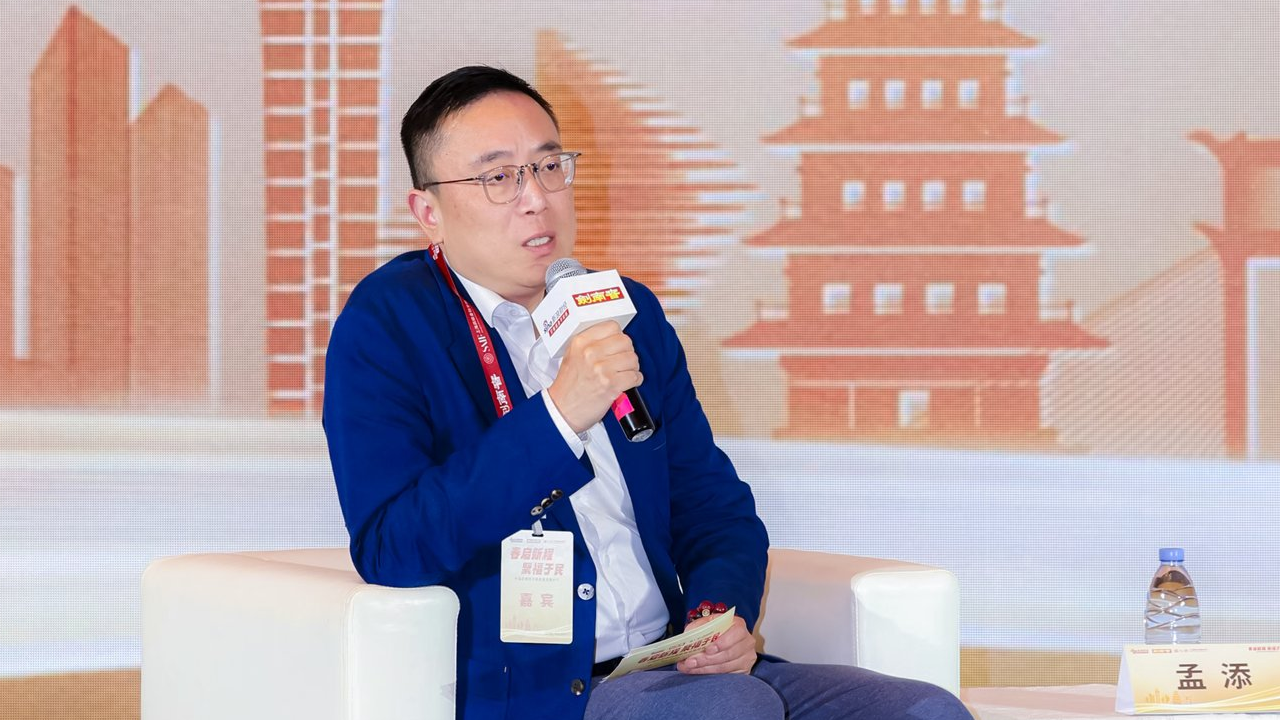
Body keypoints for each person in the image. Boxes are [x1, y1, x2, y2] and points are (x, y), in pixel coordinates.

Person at [322, 65, 972, 720]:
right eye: (498, 178)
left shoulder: (622, 310)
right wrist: (559, 417)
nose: (536, 198)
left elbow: (713, 508)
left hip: (672, 669)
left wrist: (715, 616)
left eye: (548, 166)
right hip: (543, 694)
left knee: (923, 710)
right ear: (429, 213)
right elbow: (392, 547)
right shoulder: (387, 326)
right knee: (727, 709)